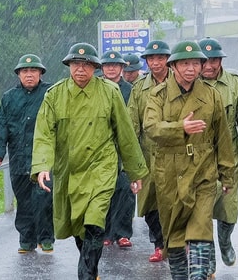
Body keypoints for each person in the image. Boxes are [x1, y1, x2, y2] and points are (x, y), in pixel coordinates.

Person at [32, 42, 148, 280]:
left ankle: (85, 275)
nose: (81, 70)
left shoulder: (109, 92)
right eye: (76, 64)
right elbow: (44, 133)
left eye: (86, 65)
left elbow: (125, 134)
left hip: (101, 168)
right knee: (79, 227)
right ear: (69, 66)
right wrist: (42, 165)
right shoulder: (55, 95)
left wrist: (134, 172)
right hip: (70, 170)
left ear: (95, 67)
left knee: (95, 223)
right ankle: (91, 271)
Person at [144, 40, 237, 280]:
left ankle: (198, 276)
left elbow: (223, 138)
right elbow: (151, 128)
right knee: (174, 233)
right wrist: (180, 127)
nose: (190, 69)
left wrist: (228, 175)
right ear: (173, 66)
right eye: (184, 63)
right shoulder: (158, 95)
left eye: (195, 63)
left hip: (202, 172)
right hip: (169, 173)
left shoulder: (211, 95)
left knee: (200, 228)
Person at [0, 53, 54, 254]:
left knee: (43, 199)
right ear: (18, 75)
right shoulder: (9, 98)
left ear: (40, 73)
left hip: (43, 160)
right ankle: (26, 240)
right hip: (18, 159)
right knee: (24, 202)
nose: (29, 74)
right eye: (25, 71)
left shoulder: (50, 94)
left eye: (33, 70)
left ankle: (46, 238)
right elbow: (0, 126)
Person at [198, 37, 238, 269]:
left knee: (228, 207)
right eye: (206, 61)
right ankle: (208, 260)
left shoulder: (235, 84)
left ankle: (225, 241)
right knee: (202, 210)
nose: (210, 65)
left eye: (215, 60)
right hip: (199, 159)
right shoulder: (189, 84)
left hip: (229, 158)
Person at [129, 39, 172, 263]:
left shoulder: (180, 82)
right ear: (146, 62)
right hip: (147, 154)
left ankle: (176, 242)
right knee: (149, 203)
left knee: (176, 200)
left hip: (175, 153)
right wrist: (132, 161)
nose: (156, 63)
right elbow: (131, 125)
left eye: (160, 58)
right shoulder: (139, 88)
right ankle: (159, 244)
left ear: (168, 60)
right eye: (151, 59)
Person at [99, 50, 136, 248]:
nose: (111, 68)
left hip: (125, 146)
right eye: (107, 65)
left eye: (115, 65)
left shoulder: (131, 90)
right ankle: (106, 232)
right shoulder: (96, 88)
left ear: (122, 68)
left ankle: (123, 233)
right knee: (104, 191)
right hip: (102, 146)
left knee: (125, 192)